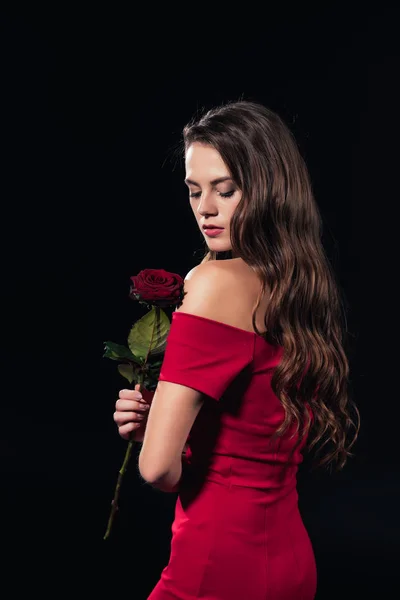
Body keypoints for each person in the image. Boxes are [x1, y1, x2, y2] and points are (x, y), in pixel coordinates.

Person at [113, 100, 360, 599]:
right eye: (194, 190)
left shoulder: (213, 283)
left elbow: (157, 470)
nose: (205, 208)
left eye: (226, 190)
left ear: (270, 190)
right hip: (289, 560)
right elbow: (250, 439)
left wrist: (159, 444)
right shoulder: (298, 287)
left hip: (216, 561)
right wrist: (164, 424)